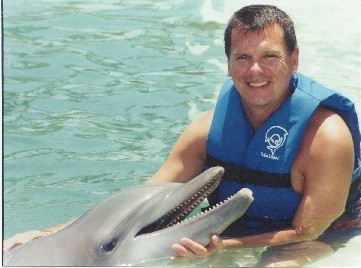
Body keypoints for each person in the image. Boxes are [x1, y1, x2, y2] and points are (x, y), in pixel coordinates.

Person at [4, 4, 361, 266]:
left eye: (269, 56)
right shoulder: (208, 129)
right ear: (228, 62)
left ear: (294, 59)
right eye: (242, 58)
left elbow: (309, 231)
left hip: (320, 230)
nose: (255, 70)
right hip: (231, 229)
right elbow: (149, 191)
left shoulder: (326, 138)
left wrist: (223, 247)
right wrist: (50, 233)